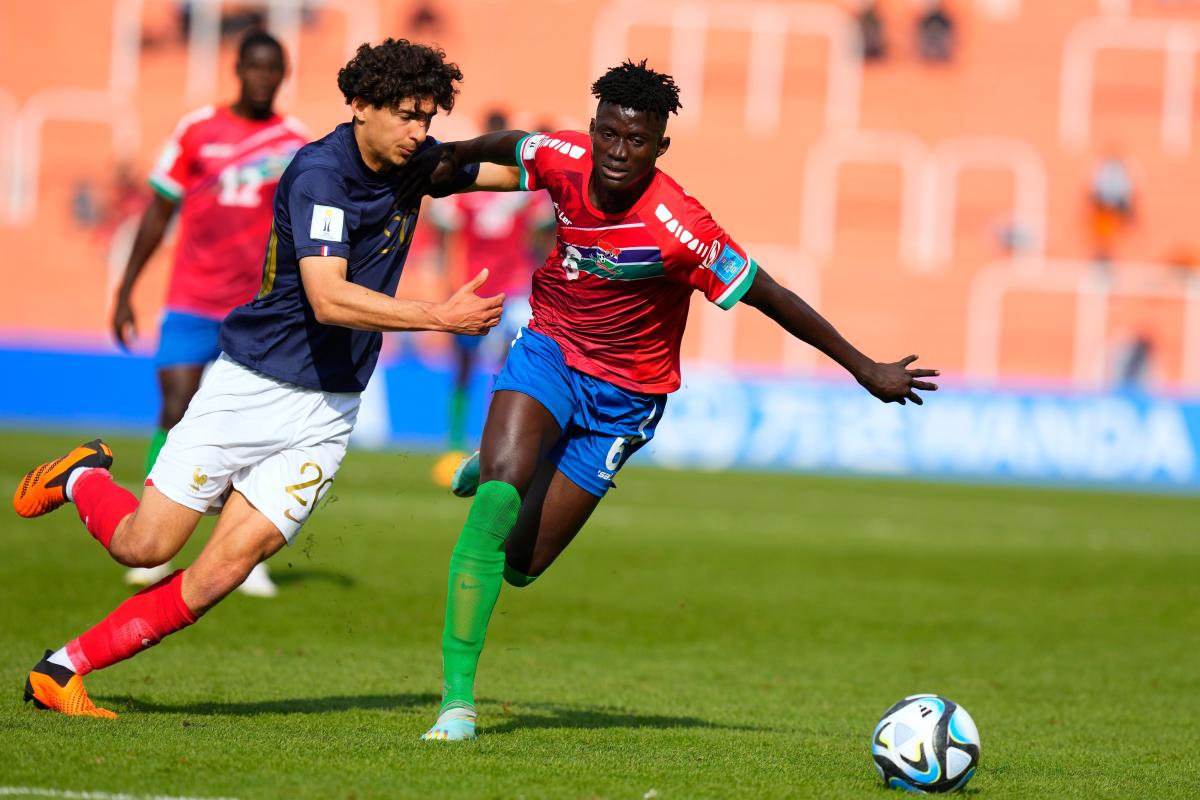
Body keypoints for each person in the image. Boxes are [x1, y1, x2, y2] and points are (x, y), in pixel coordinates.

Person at [411, 60, 940, 741]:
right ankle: (457, 702)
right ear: (594, 128)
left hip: (624, 398)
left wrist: (864, 367)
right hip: (550, 350)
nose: (618, 153)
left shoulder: (681, 227)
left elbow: (770, 295)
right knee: (499, 500)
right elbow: (507, 147)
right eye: (608, 134)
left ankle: (496, 462)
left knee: (518, 566)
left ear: (661, 145)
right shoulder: (563, 155)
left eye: (637, 141)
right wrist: (441, 164)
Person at [12, 38, 513, 719]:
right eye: (406, 115)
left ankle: (63, 668)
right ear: (362, 105)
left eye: (427, 117)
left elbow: (507, 171)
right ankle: (81, 478)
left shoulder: (415, 162)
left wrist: (577, 165)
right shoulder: (319, 176)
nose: (419, 132)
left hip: (330, 409)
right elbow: (329, 298)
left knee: (223, 571)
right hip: (253, 386)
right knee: (146, 545)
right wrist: (438, 315)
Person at [111, 29, 309, 597]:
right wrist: (126, 287)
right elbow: (158, 209)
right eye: (255, 66)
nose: (263, 76)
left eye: (273, 68)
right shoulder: (197, 130)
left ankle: (242, 551)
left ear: (283, 73)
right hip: (190, 299)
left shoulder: (296, 144)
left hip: (258, 308)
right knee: (175, 407)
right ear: (238, 68)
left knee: (255, 427)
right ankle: (153, 541)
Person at [428, 109, 554, 481]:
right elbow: (448, 235)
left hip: (513, 289)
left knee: (505, 365)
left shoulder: (522, 188)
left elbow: (542, 234)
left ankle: (490, 443)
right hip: (472, 286)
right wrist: (449, 280)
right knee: (464, 366)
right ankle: (453, 443)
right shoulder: (465, 188)